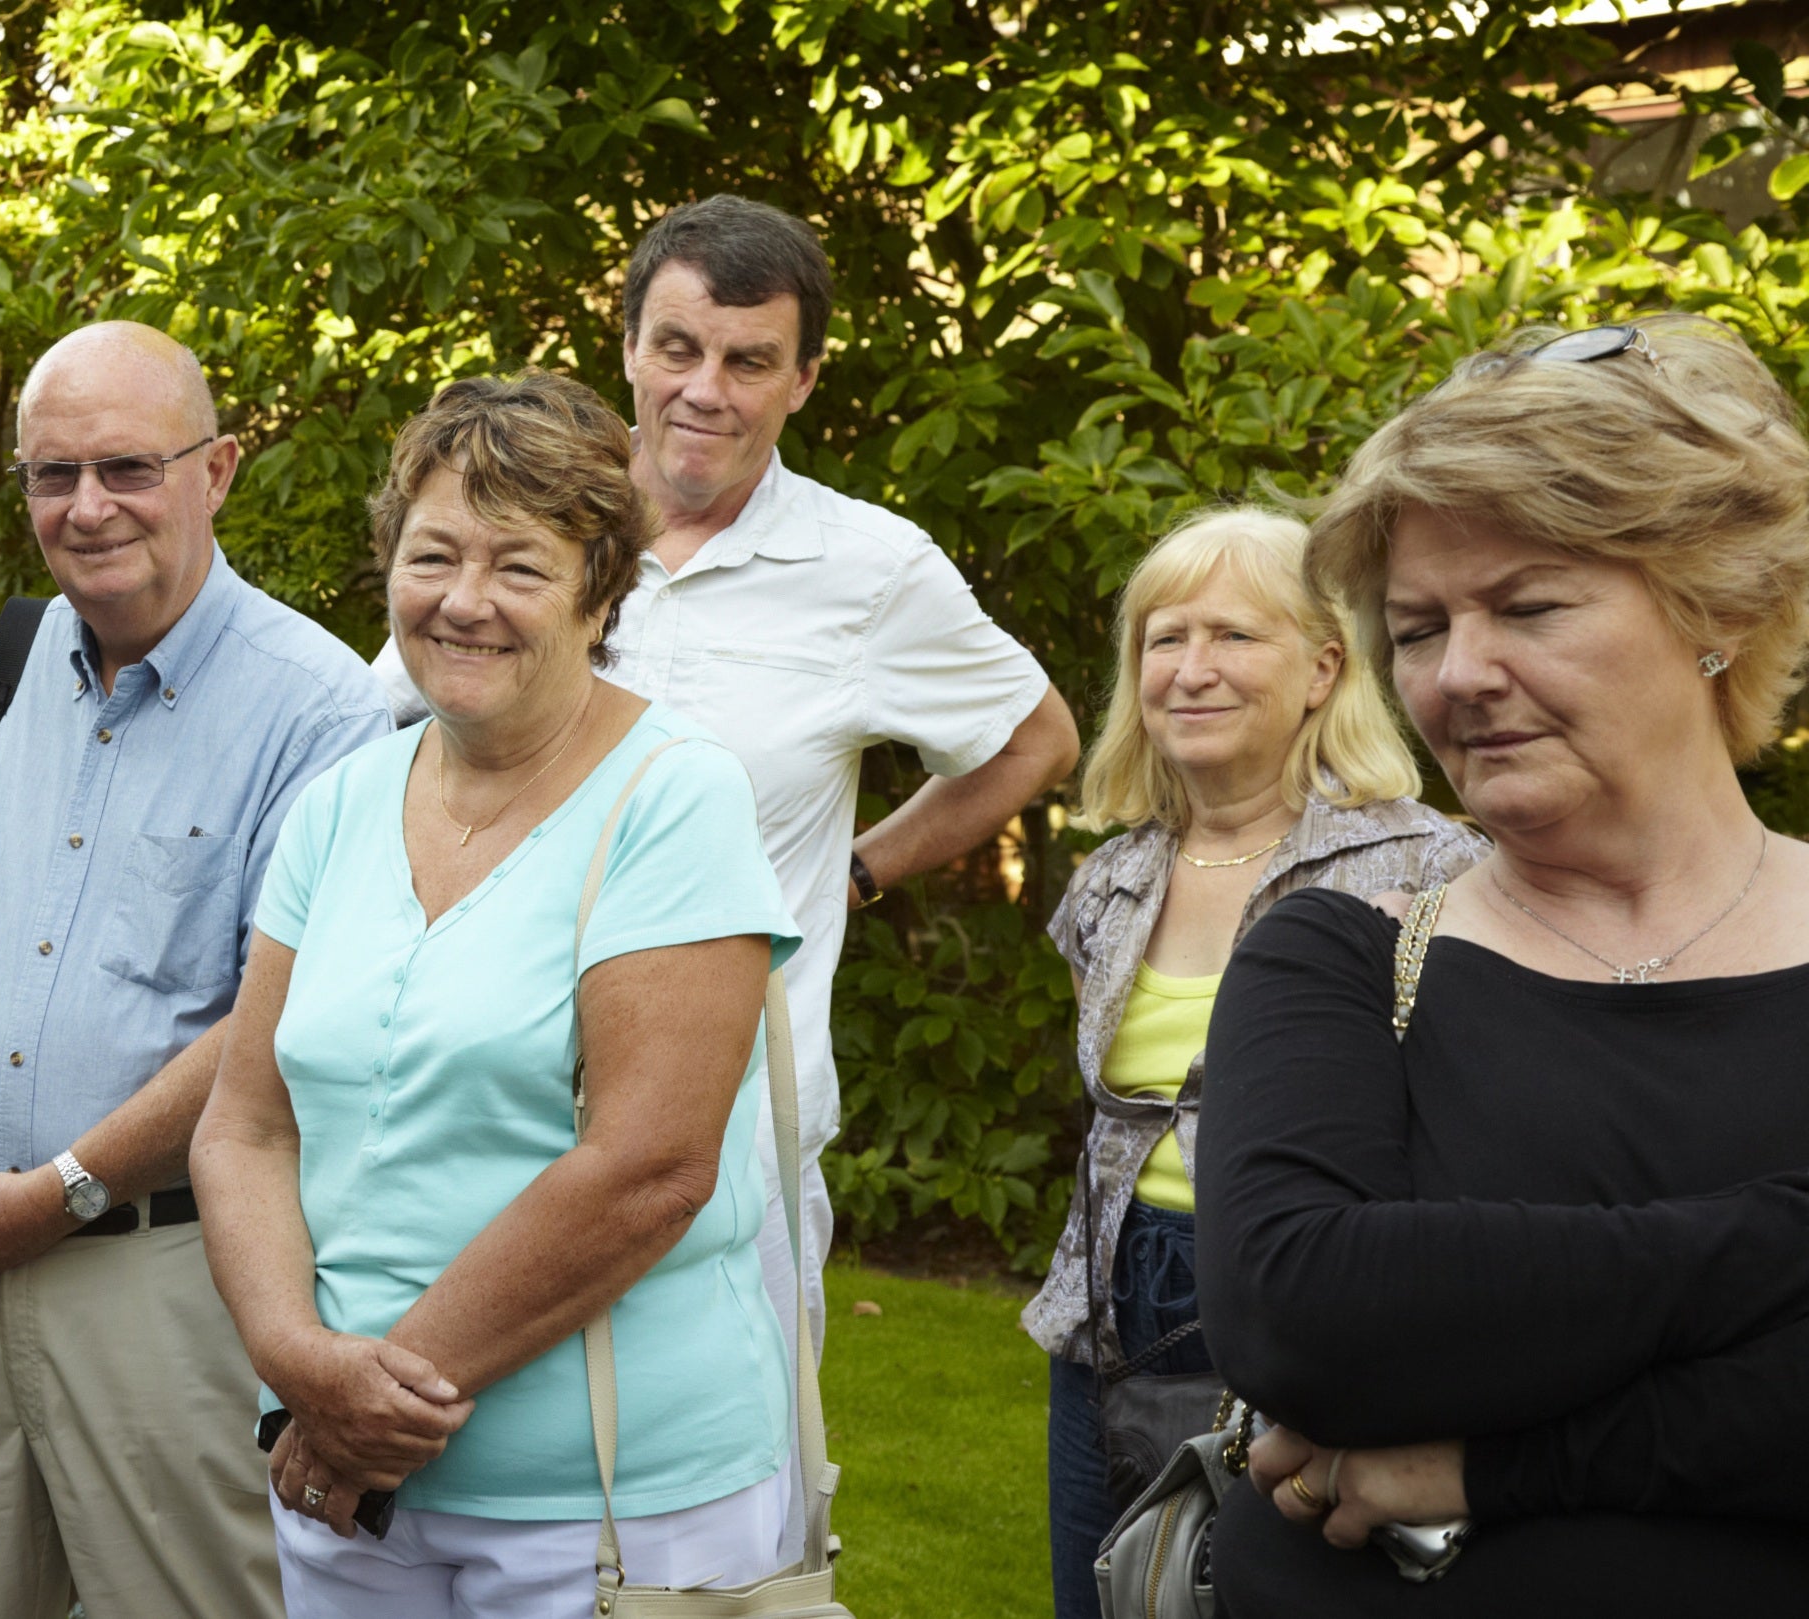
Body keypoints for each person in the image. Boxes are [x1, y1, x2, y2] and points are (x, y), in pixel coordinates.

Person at [369, 195, 1077, 1379]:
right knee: (463, 1454)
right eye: (680, 348)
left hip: (733, 1144)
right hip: (483, 1108)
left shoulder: (870, 569)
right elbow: (382, 730)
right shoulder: (525, 526)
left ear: (803, 381)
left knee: (713, 1512)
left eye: (751, 361)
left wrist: (860, 867)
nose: (707, 390)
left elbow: (1035, 739)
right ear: (631, 346)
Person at [1196, 314, 1809, 1609]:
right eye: (1418, 629)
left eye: (1530, 603)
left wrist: (1489, 1460)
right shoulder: (1337, 955)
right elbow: (1306, 1318)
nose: (1462, 673)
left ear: (1722, 609)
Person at [196, 371, 807, 1613]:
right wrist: (294, 1359)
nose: (464, 602)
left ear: (600, 590)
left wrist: (368, 1404)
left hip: (614, 1509)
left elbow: (651, 1164)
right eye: (433, 557)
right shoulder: (343, 801)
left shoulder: (673, 797)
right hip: (348, 1495)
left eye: (520, 568)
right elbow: (246, 1121)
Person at [0, 320, 394, 1619]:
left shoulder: (322, 709)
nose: (88, 506)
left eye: (128, 467)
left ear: (218, 468)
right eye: (54, 473)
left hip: (167, 1284)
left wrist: (58, 1192)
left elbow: (271, 1028)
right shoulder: (7, 657)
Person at [1018, 509, 1484, 1617]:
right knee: (1105, 1593)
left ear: (1326, 667)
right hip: (1108, 1310)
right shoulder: (1112, 878)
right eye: (1163, 638)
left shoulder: (1430, 865)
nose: (1190, 669)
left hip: (1303, 1304)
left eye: (1232, 635)